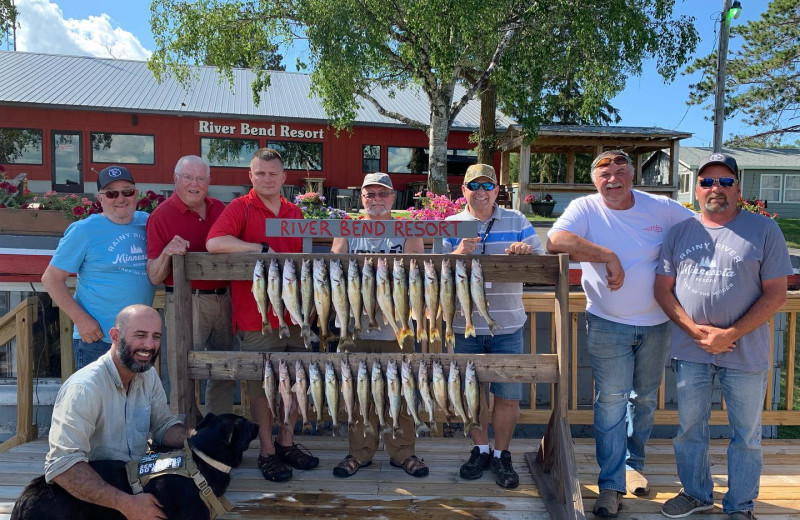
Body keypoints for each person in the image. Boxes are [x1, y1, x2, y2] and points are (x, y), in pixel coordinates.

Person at [547, 150, 694, 517]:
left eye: (620, 170)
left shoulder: (661, 207)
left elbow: (703, 228)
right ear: (594, 180)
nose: (612, 178)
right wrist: (606, 255)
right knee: (611, 401)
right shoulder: (585, 208)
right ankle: (610, 485)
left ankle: (633, 464)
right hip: (607, 322)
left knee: (643, 399)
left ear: (633, 175)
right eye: (603, 172)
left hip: (658, 323)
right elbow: (555, 239)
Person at [654, 153, 791, 520]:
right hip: (692, 349)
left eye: (725, 182)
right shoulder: (680, 232)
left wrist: (730, 333)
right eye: (707, 182)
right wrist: (693, 330)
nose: (716, 188)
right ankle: (696, 493)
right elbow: (663, 290)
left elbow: (776, 292)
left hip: (745, 350)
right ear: (697, 191)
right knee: (689, 429)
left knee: (746, 434)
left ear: (738, 189)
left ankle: (740, 505)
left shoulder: (764, 230)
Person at [206, 148, 318, 482]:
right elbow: (214, 242)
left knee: (298, 381)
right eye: (260, 173)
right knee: (261, 387)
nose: (267, 179)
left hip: (296, 316)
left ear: (284, 177)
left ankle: (287, 441)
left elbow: (304, 262)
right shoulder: (240, 207)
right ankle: (267, 451)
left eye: (273, 173)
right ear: (250, 176)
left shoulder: (294, 212)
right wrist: (259, 249)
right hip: (257, 317)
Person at [443, 163, 544, 489]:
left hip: (508, 325)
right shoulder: (449, 225)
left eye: (488, 185)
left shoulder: (518, 221)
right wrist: (458, 252)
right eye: (474, 185)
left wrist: (525, 253)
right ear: (464, 191)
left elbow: (542, 264)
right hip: (463, 326)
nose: (481, 191)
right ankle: (481, 448)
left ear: (498, 190)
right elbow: (432, 272)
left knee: (508, 396)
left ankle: (502, 453)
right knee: (472, 396)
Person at [44, 304, 190, 520]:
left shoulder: (148, 375)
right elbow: (62, 466)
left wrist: (194, 438)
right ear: (115, 336)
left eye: (156, 336)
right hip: (87, 501)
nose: (149, 345)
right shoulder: (84, 388)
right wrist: (128, 505)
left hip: (134, 485)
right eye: (140, 335)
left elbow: (162, 426)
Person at [329, 172, 428, 478]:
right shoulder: (347, 229)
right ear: (361, 198)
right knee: (360, 394)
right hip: (354, 326)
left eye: (382, 194)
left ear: (392, 198)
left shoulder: (408, 230)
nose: (376, 200)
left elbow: (418, 268)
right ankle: (360, 452)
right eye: (369, 194)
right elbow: (335, 266)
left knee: (402, 388)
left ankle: (403, 452)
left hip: (396, 328)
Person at [146, 155, 235, 416]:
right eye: (187, 177)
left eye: (200, 178)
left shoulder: (221, 209)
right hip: (187, 301)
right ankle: (185, 438)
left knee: (225, 371)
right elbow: (153, 275)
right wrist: (167, 253)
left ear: (209, 182)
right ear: (175, 179)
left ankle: (217, 433)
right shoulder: (160, 216)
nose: (193, 184)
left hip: (226, 299)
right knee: (183, 374)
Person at [42, 165, 154, 370]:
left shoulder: (148, 223)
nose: (120, 198)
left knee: (137, 401)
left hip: (139, 340)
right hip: (97, 339)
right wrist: (81, 320)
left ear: (136, 195)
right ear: (100, 199)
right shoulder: (83, 230)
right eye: (112, 193)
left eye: (127, 192)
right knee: (98, 402)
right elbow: (51, 278)